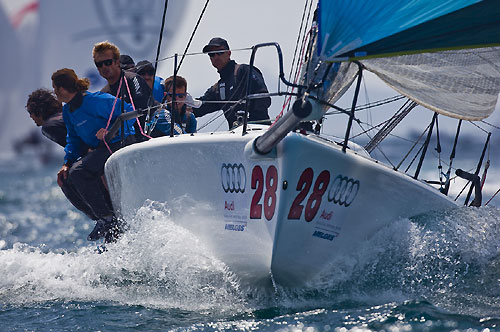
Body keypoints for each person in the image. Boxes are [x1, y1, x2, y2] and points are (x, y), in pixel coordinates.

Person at [51, 68, 136, 242]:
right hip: (102, 149)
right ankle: (103, 219)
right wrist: (67, 162)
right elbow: (73, 139)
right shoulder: (68, 111)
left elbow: (130, 113)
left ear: (61, 89)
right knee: (67, 177)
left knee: (79, 173)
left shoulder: (97, 100)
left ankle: (107, 218)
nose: (54, 93)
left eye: (54, 88)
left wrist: (110, 130)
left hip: (121, 142)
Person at [194, 37, 271, 129]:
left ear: (229, 53)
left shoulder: (244, 71)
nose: (216, 56)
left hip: (258, 130)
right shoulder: (217, 89)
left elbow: (263, 97)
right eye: (212, 54)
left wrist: (250, 121)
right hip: (236, 135)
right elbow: (200, 107)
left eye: (220, 52)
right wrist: (180, 102)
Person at [92, 41, 153, 141]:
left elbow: (142, 108)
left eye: (108, 62)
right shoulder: (103, 94)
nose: (104, 67)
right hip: (124, 142)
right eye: (99, 64)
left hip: (147, 135)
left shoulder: (133, 79)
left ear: (117, 62)